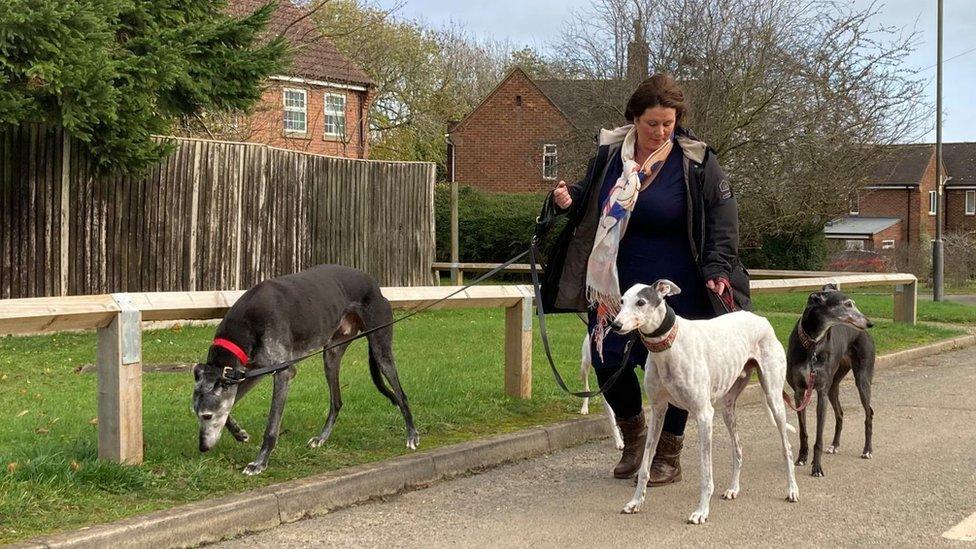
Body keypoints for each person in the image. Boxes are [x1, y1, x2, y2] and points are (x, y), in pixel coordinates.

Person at [541, 74, 751, 486]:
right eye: (651, 123)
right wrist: (568, 198)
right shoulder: (610, 154)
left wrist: (718, 269)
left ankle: (668, 452)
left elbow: (723, 221)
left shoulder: (696, 160)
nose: (659, 132)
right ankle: (636, 438)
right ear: (634, 119)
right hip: (614, 281)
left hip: (677, 285)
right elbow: (592, 195)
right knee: (607, 359)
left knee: (678, 369)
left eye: (667, 124)